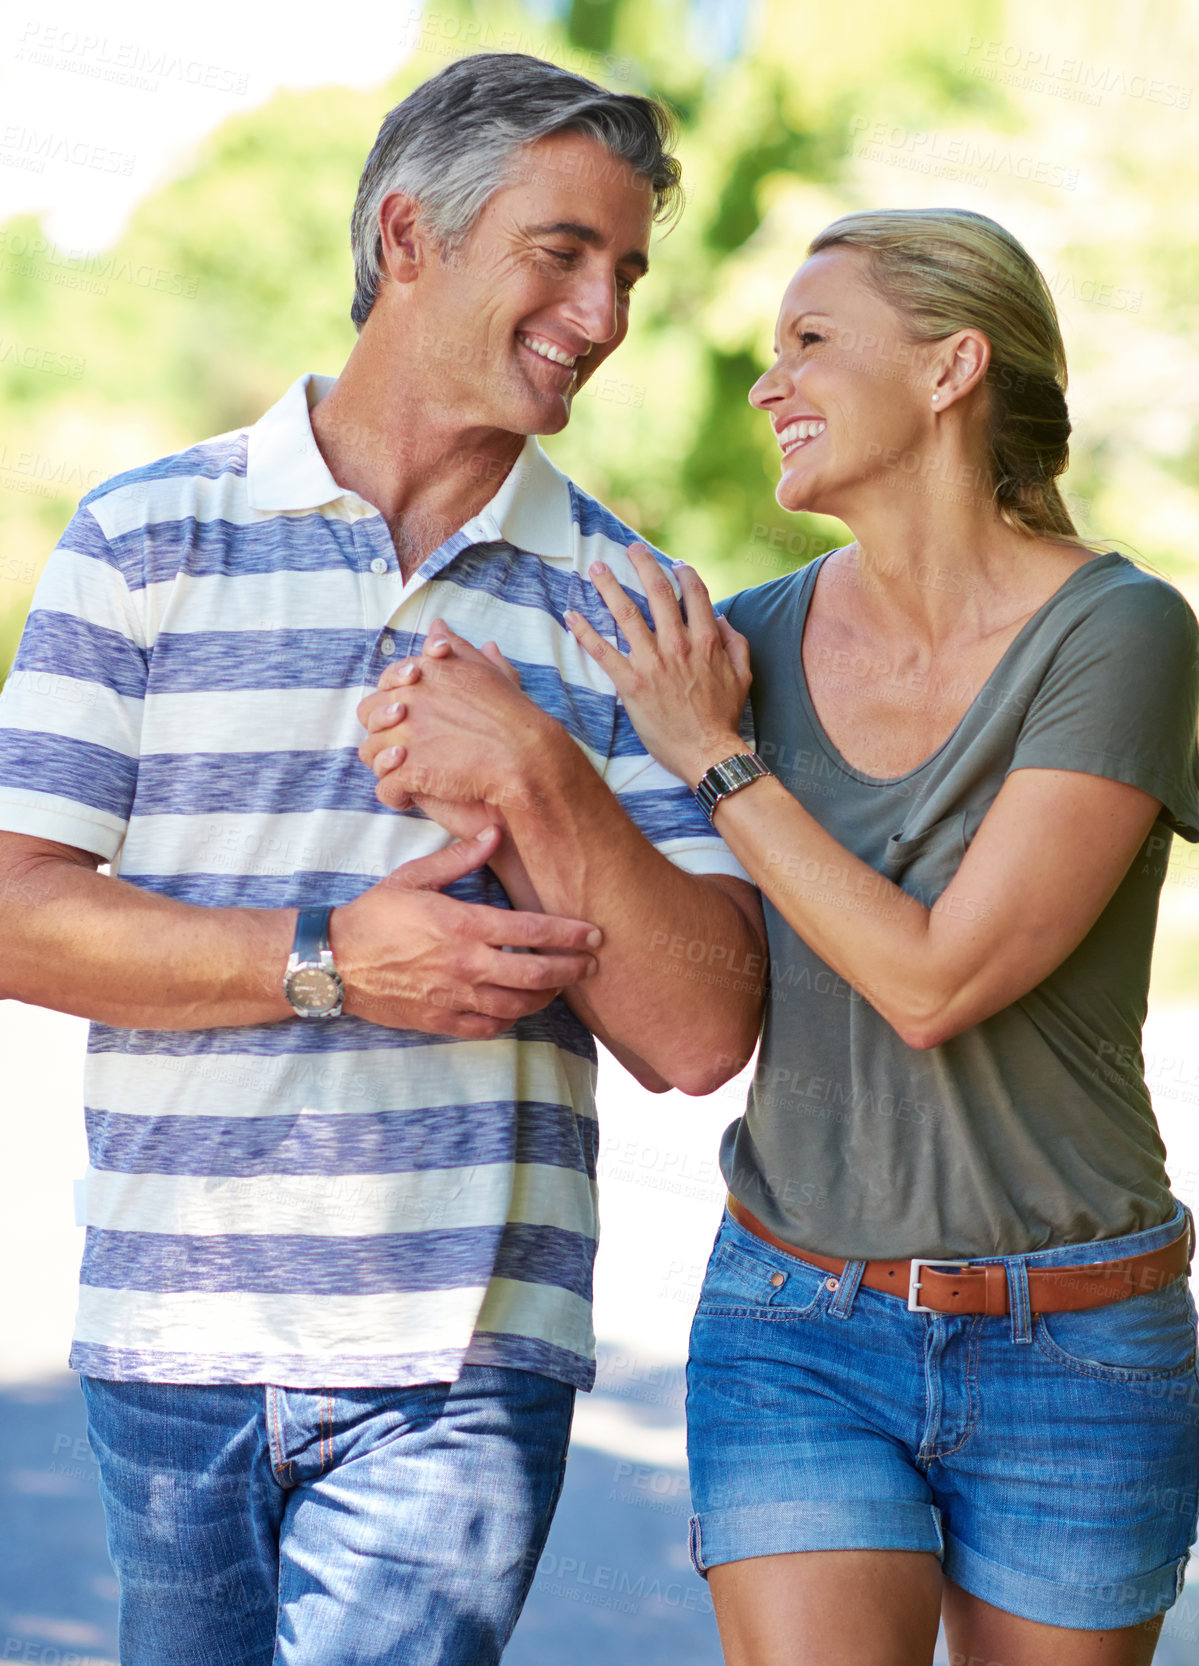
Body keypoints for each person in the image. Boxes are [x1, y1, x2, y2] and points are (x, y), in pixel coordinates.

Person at [0, 53, 765, 1666]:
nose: (607, 312)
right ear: (410, 239)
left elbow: (701, 1032)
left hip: (465, 1357)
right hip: (173, 1322)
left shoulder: (633, 602)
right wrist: (330, 957)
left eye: (627, 269)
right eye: (561, 252)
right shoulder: (142, 536)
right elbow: (18, 913)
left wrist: (548, 775)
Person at [531, 207, 1199, 1666]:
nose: (768, 384)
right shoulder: (738, 646)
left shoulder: (1122, 632)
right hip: (796, 1317)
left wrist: (718, 763)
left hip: (1075, 1336)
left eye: (811, 343)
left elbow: (937, 977)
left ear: (955, 366)